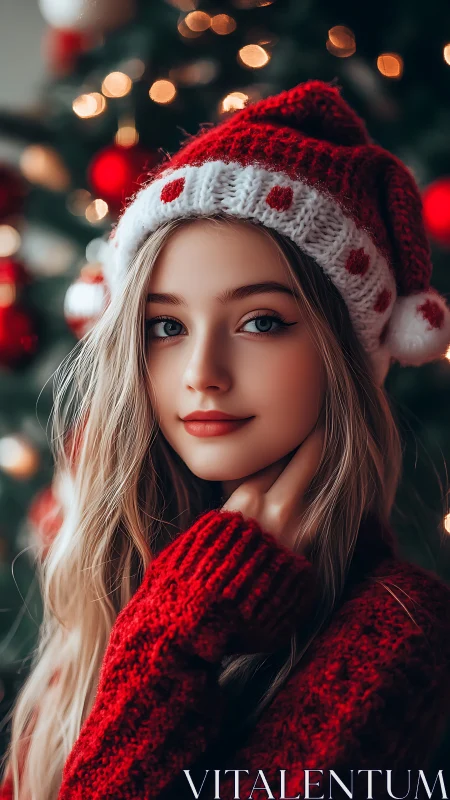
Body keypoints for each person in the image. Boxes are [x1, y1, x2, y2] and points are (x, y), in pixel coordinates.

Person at [1, 78, 450, 800]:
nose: (201, 374)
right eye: (166, 326)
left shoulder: (396, 631)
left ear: (346, 353)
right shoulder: (109, 581)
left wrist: (175, 637)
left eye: (261, 321)